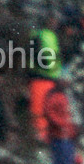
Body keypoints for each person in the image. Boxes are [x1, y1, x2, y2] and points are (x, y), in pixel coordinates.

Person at [26, 15, 63, 143]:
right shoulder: (45, 35)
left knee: (41, 107)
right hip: (44, 76)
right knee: (41, 107)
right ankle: (40, 136)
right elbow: (48, 56)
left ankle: (41, 135)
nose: (55, 23)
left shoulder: (39, 34)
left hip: (42, 76)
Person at [44, 77, 79, 164]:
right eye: (64, 81)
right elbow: (49, 113)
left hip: (69, 135)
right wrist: (60, 124)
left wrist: (74, 129)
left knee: (68, 162)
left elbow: (72, 114)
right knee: (60, 163)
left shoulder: (67, 96)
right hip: (58, 135)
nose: (67, 83)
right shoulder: (53, 95)